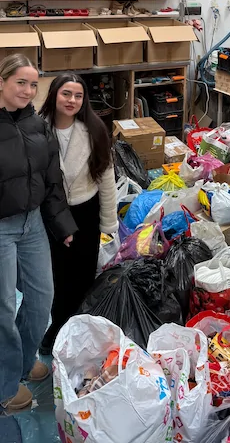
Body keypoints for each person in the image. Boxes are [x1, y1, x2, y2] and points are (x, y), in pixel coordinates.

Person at [0, 54, 76, 413]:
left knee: (41, 298)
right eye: (21, 83)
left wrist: (62, 225)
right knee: (3, 308)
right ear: (2, 82)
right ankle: (4, 385)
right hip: (1, 227)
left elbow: (51, 178)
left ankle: (22, 359)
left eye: (33, 85)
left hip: (32, 224)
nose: (28, 91)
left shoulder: (37, 125)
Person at [39, 72, 118, 353]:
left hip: (85, 210)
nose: (71, 100)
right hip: (50, 213)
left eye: (78, 95)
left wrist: (109, 222)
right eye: (66, 94)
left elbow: (106, 178)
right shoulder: (38, 129)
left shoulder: (94, 130)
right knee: (55, 276)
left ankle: (77, 328)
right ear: (54, 95)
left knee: (83, 274)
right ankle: (58, 327)